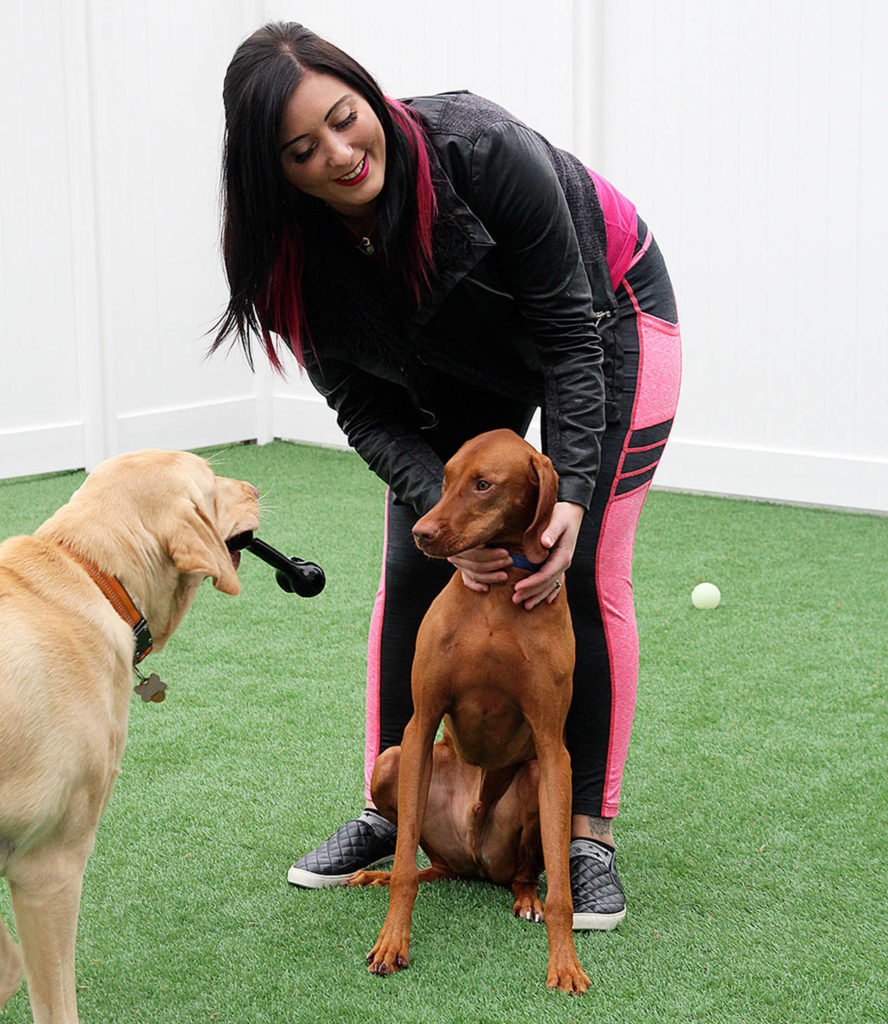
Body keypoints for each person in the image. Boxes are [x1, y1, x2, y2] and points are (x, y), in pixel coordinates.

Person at [213, 22, 681, 930]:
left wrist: (574, 495)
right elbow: (367, 409)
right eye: (304, 152)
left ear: (370, 95)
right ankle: (389, 804)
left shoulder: (482, 149)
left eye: (347, 120)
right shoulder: (290, 262)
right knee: (416, 557)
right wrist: (440, 508)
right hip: (455, 352)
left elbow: (570, 341)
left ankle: (585, 837)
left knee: (576, 565)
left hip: (606, 309)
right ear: (276, 175)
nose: (341, 155)